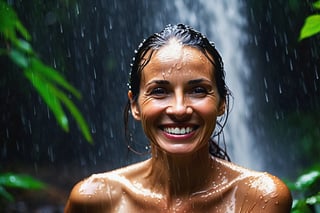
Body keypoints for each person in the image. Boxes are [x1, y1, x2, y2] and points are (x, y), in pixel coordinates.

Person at [64, 24, 292, 212]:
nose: (180, 109)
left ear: (222, 102)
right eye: (160, 91)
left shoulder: (260, 197)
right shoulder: (94, 200)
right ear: (135, 105)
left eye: (198, 90)